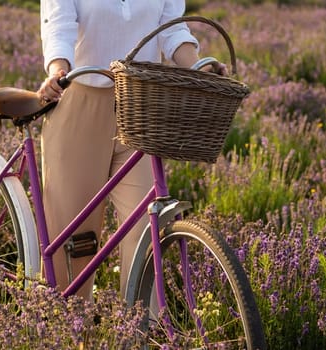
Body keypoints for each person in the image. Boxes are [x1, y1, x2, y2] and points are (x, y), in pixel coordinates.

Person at [37, 0, 228, 299]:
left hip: (139, 107)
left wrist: (199, 67)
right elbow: (58, 26)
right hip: (79, 102)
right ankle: (66, 331)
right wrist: (58, 69)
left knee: (146, 234)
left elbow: (171, 30)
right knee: (74, 240)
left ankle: (138, 333)